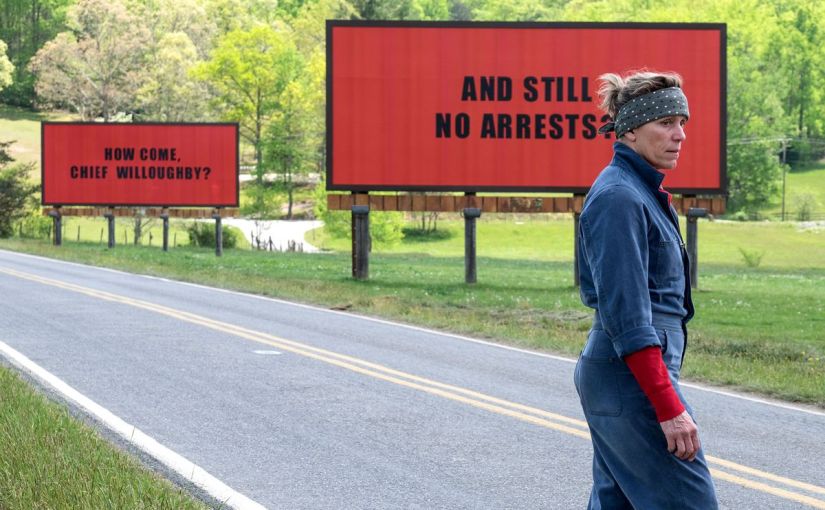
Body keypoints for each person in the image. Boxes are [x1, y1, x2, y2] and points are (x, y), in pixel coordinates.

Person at [574, 70, 719, 509]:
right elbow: (629, 318)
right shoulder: (620, 198)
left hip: (625, 377)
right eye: (666, 123)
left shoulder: (638, 191)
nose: (679, 135)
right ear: (631, 130)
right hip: (630, 378)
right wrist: (668, 406)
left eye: (683, 123)